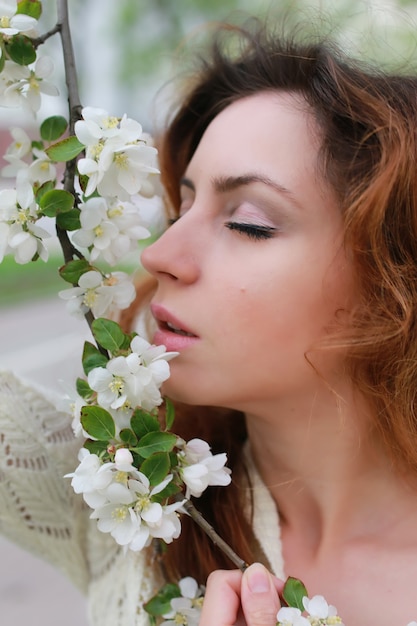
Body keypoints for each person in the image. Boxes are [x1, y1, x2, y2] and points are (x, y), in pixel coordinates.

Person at [2, 16, 417, 626]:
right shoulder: (116, 480)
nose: (159, 254)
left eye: (248, 221)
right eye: (184, 205)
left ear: (393, 281)